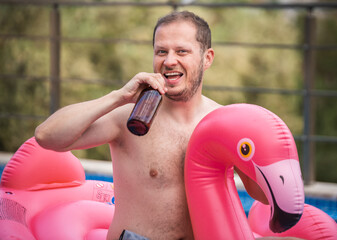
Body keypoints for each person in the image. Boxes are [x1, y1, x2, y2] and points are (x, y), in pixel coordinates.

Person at [35, 10, 293, 240]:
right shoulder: (130, 117)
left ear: (207, 58)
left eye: (182, 51)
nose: (169, 60)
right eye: (161, 51)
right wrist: (117, 96)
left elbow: (262, 196)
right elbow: (47, 137)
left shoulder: (222, 124)